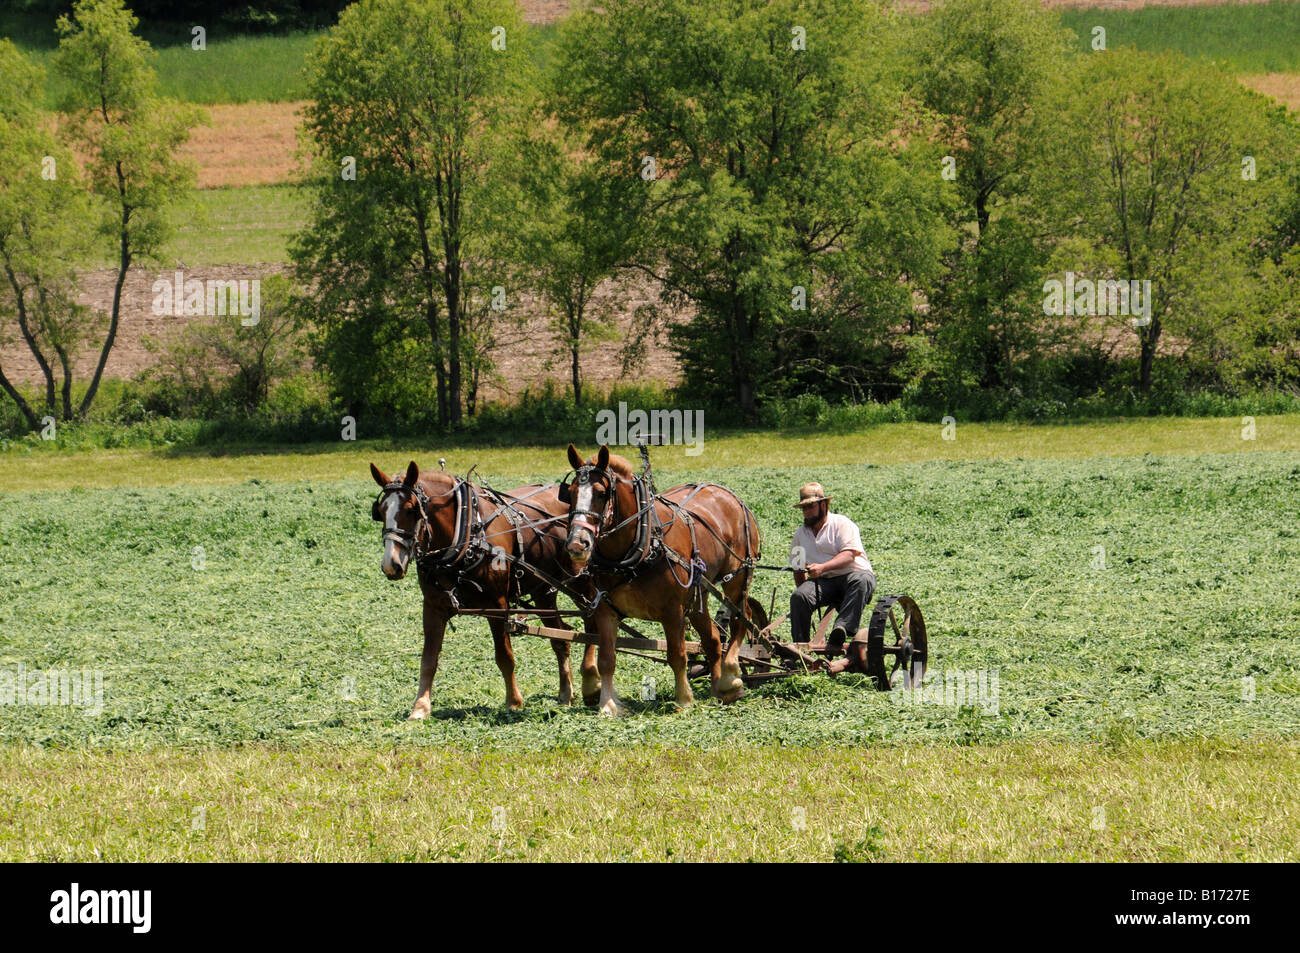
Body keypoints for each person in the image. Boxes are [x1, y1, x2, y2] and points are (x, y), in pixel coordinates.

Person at [788, 482, 876, 659]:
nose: (806, 512)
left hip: (853, 575)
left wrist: (821, 568)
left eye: (810, 506)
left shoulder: (842, 524)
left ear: (823, 504)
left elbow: (849, 555)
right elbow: (798, 569)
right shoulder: (799, 535)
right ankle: (800, 649)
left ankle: (842, 628)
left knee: (861, 580)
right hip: (824, 583)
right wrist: (806, 594)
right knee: (799, 596)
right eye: (803, 508)